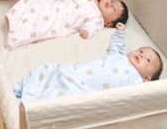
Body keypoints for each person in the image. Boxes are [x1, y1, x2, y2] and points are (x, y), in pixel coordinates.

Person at [12, 23, 163, 102]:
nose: (141, 55)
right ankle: (21, 88)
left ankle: (32, 101)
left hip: (84, 90)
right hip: (75, 74)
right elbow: (116, 47)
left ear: (146, 78)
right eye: (141, 51)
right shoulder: (119, 57)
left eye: (147, 60)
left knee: (59, 97)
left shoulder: (136, 82)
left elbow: (146, 95)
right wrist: (120, 33)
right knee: (47, 71)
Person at [5, 0, 129, 49]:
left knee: (42, 24)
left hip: (60, 20)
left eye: (114, 10)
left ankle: (15, 35)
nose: (111, 4)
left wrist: (86, 32)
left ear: (108, 23)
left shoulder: (98, 19)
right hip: (56, 6)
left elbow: (92, 28)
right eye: (112, 1)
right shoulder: (93, 1)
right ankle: (15, 17)